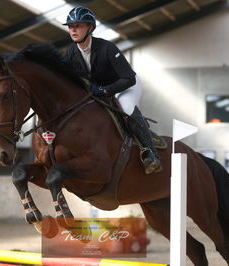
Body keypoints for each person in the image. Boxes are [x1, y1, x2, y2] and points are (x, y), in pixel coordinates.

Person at [62, 6, 162, 174]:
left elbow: (128, 78)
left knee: (127, 108)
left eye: (78, 26)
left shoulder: (107, 48)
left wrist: (106, 90)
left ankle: (150, 152)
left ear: (90, 28)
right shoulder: (70, 53)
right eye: (71, 26)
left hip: (125, 85)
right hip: (98, 90)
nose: (73, 30)